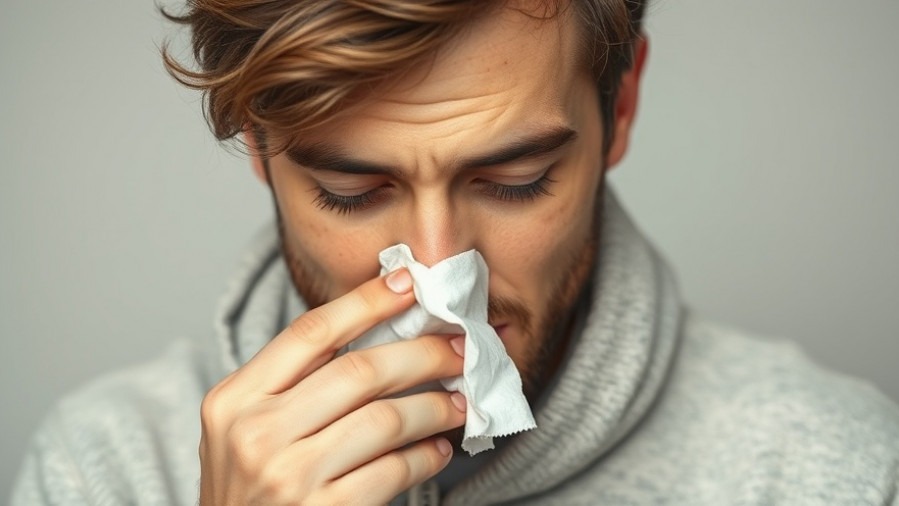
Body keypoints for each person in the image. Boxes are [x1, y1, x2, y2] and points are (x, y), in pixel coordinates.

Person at [12, 0, 899, 504]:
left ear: (620, 108)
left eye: (514, 179)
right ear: (258, 149)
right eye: (352, 192)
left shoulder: (832, 469)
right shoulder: (106, 466)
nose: (437, 277)